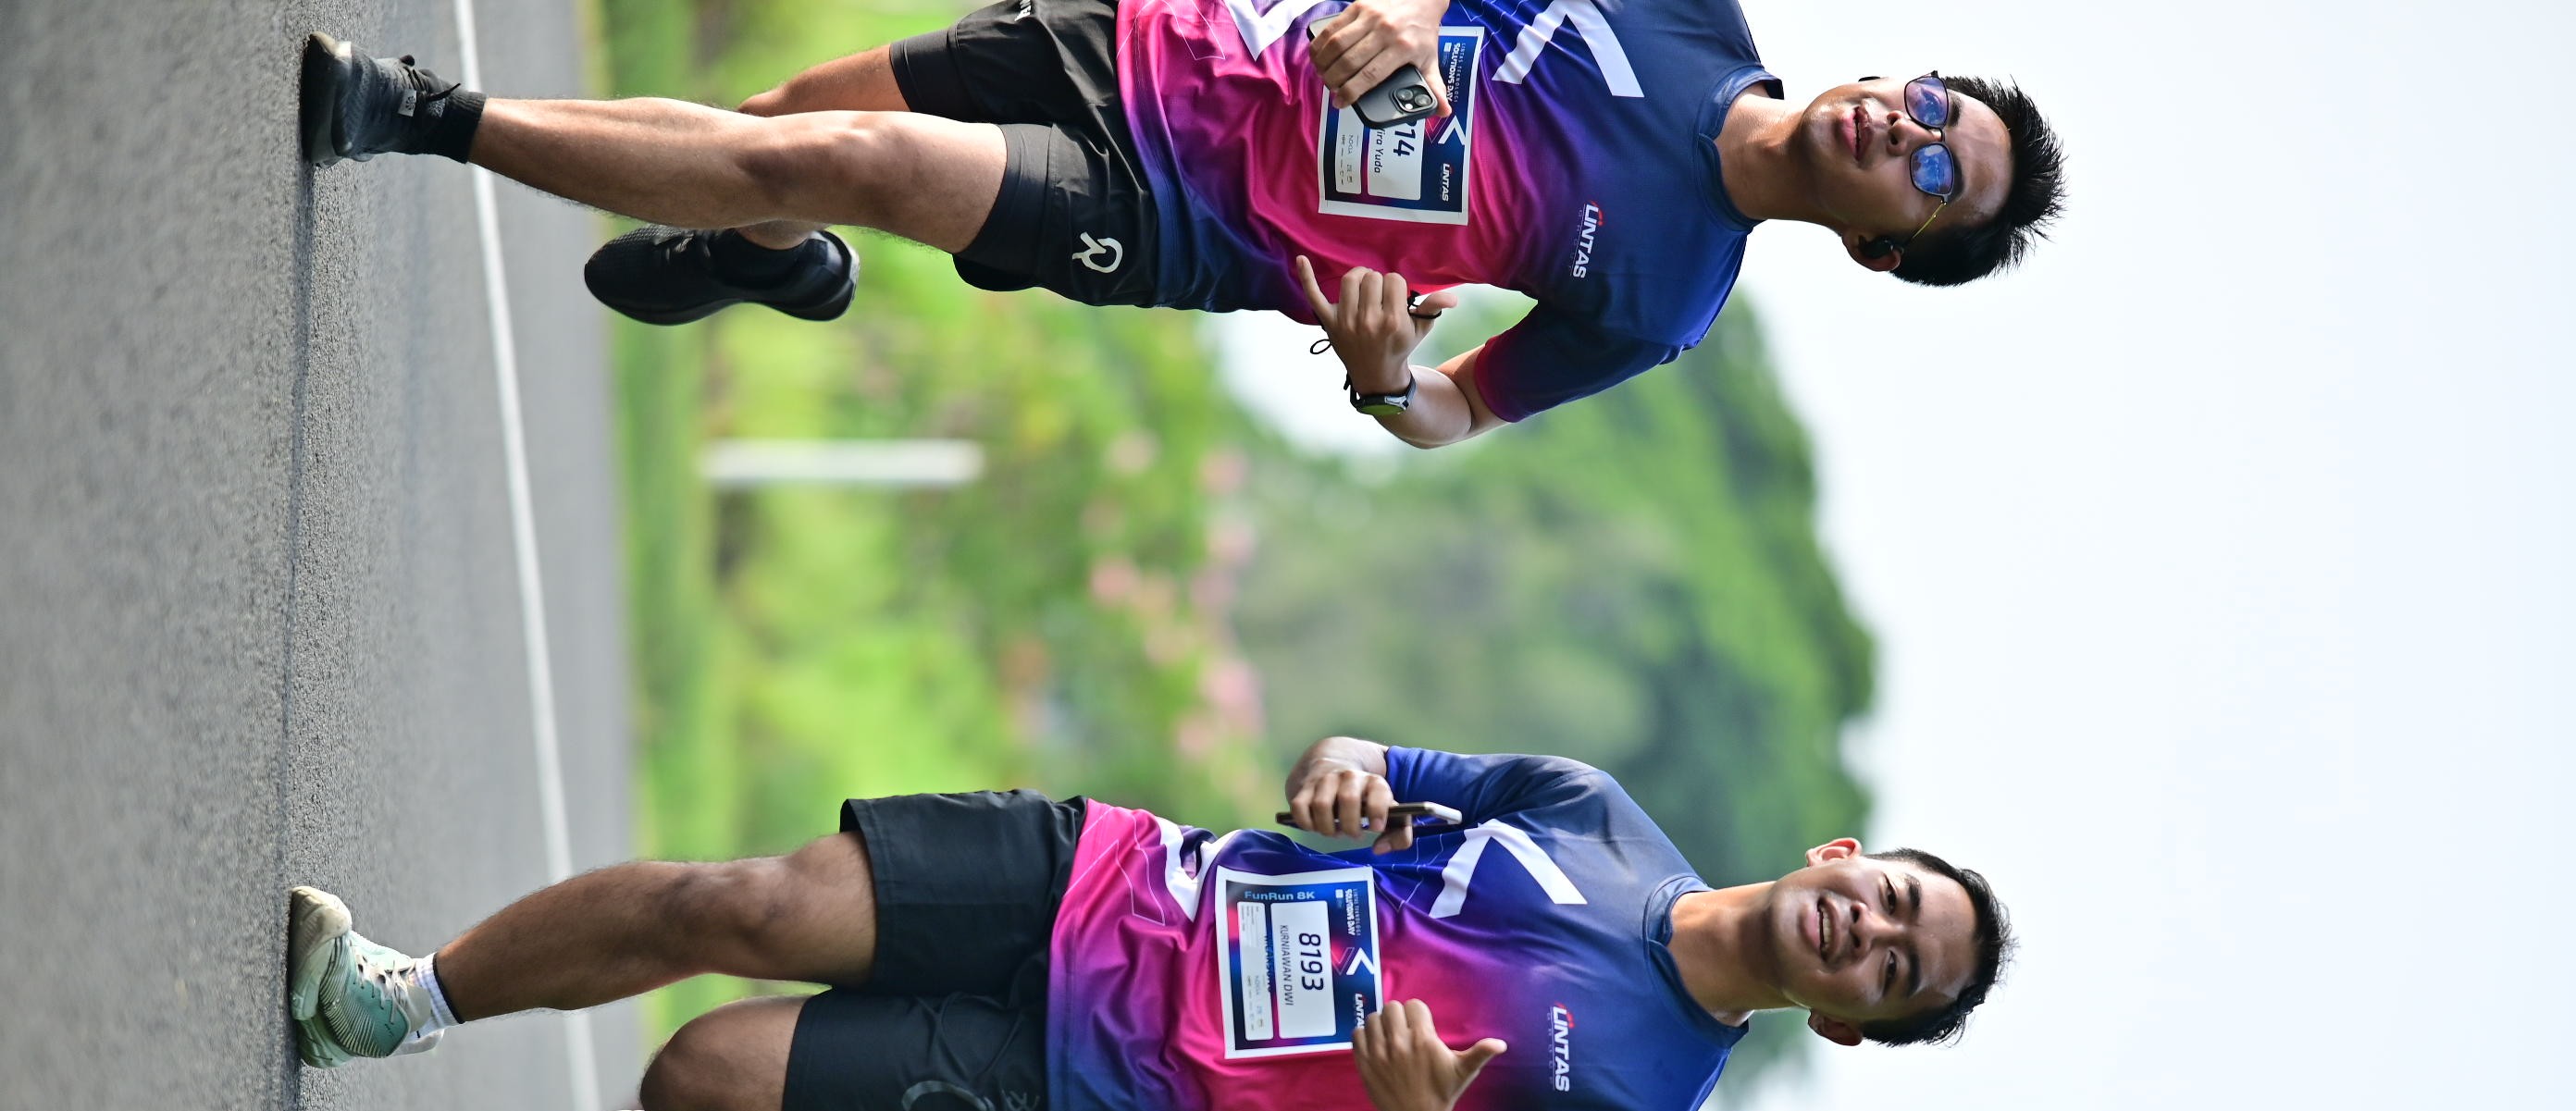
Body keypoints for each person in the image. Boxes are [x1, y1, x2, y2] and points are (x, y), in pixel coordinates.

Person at [285, 736, 2012, 1111]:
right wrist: (1338, 779)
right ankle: (396, 1002)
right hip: (1109, 881)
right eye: (1889, 903)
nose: (1868, 935)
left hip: (1089, 1085)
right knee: (728, 907)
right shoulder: (1590, 813)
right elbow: (1357, 767)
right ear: (1840, 856)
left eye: (1893, 970)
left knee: (699, 1074)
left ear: (1849, 1027)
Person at [296, 6, 2062, 445]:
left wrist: (1382, 378)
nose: (1901, 133)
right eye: (1931, 106)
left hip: (1189, 221)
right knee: (781, 132)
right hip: (1166, 44)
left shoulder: (1664, 298)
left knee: (844, 158)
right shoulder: (1684, 16)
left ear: (1884, 253)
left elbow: (1457, 411)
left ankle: (418, 117)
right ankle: (775, 259)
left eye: (1935, 176)